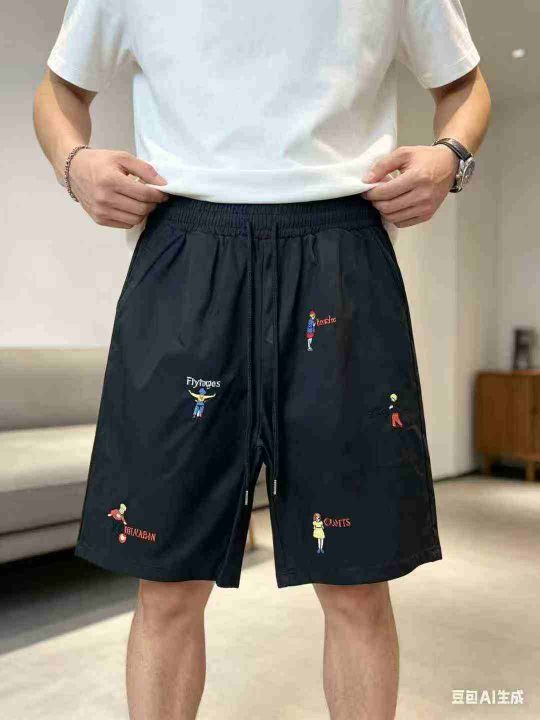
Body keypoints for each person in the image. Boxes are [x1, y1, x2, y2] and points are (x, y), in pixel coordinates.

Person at [34, 0, 490, 717]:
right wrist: (74, 163)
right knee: (167, 581)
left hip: (340, 253)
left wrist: (451, 156)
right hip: (185, 250)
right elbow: (60, 90)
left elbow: (465, 84)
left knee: (357, 580)